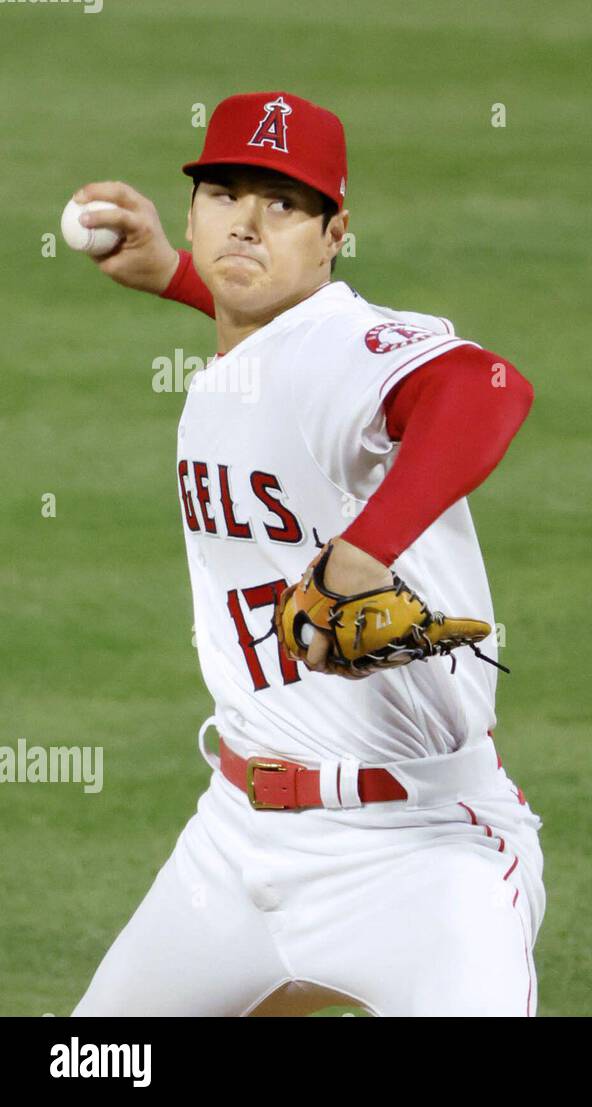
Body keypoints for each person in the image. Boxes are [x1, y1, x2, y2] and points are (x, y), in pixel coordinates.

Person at [69, 91, 543, 1016]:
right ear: (195, 206)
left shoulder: (352, 347)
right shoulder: (251, 356)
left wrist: (363, 551)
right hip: (234, 839)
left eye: (282, 204)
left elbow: (488, 388)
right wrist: (173, 271)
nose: (246, 222)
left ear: (334, 233)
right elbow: (269, 345)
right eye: (225, 193)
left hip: (420, 846)